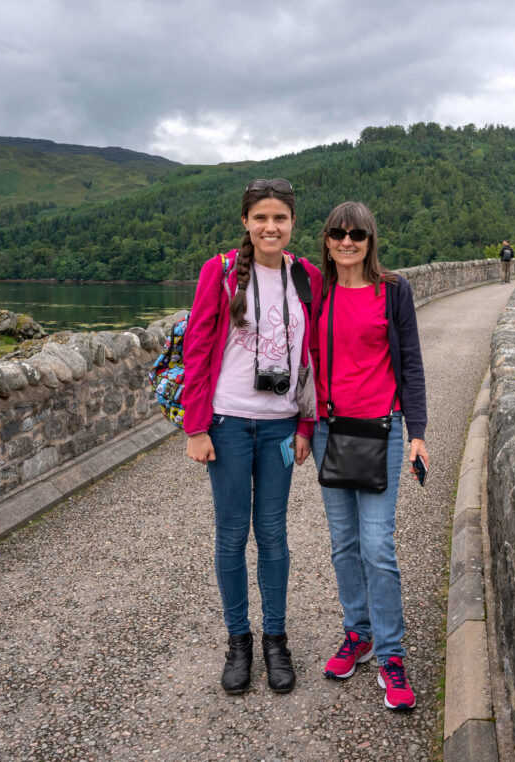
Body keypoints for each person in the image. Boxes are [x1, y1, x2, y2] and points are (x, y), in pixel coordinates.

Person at [183, 178, 321, 696]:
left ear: (292, 224)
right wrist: (196, 426)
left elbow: (315, 356)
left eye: (280, 218)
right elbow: (197, 349)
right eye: (261, 218)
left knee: (273, 534)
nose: (270, 227)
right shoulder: (218, 274)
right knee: (232, 533)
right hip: (228, 421)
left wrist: (306, 424)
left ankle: (276, 641)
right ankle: (238, 641)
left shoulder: (306, 276)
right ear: (246, 221)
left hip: (282, 426)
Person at [310, 201, 428, 711]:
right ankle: (356, 633)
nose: (347, 241)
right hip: (328, 430)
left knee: (378, 545)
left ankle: (391, 653)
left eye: (356, 233)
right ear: (328, 239)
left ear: (370, 238)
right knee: (343, 543)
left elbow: (411, 362)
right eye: (338, 232)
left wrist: (418, 432)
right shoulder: (317, 290)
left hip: (383, 430)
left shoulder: (394, 290)